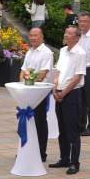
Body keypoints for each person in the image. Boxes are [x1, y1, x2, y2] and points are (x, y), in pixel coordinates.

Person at [49, 26, 86, 175]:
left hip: (72, 94)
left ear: (77, 38)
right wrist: (55, 87)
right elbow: (58, 71)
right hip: (59, 92)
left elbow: (77, 77)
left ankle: (74, 162)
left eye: (70, 33)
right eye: (66, 32)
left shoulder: (80, 53)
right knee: (62, 128)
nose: (66, 35)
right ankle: (64, 158)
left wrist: (64, 92)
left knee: (72, 129)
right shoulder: (63, 51)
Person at [19, 27, 54, 162]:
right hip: (27, 92)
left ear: (41, 37)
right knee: (27, 122)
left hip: (40, 93)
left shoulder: (46, 53)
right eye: (31, 35)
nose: (32, 38)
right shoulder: (30, 52)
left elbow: (43, 74)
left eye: (35, 35)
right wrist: (22, 83)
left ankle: (41, 152)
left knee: (40, 121)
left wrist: (29, 80)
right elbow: (23, 70)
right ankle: (27, 149)